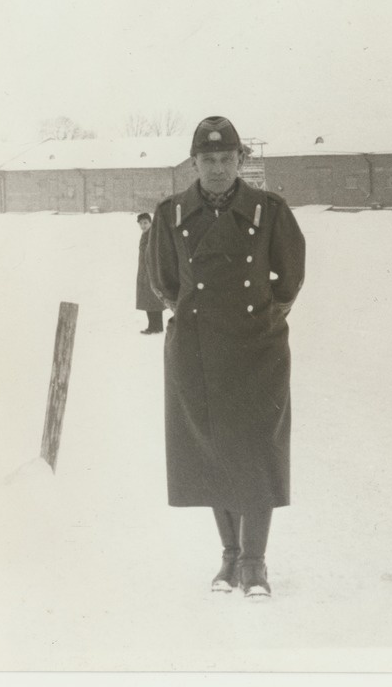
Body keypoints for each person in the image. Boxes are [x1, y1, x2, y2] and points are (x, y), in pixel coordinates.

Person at [146, 116, 305, 598]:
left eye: (227, 159)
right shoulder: (171, 213)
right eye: (208, 159)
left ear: (240, 160)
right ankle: (230, 557)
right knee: (211, 449)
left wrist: (261, 319)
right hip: (196, 348)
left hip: (258, 348)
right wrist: (197, 316)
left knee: (257, 450)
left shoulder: (270, 210)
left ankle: (254, 563)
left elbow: (290, 278)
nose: (218, 169)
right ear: (193, 163)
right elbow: (163, 281)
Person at [136, 212, 164, 334]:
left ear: (150, 223)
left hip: (151, 271)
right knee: (150, 299)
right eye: (141, 223)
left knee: (152, 299)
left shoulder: (152, 235)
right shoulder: (146, 234)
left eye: (145, 223)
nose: (143, 226)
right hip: (145, 271)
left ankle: (154, 327)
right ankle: (155, 326)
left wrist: (151, 271)